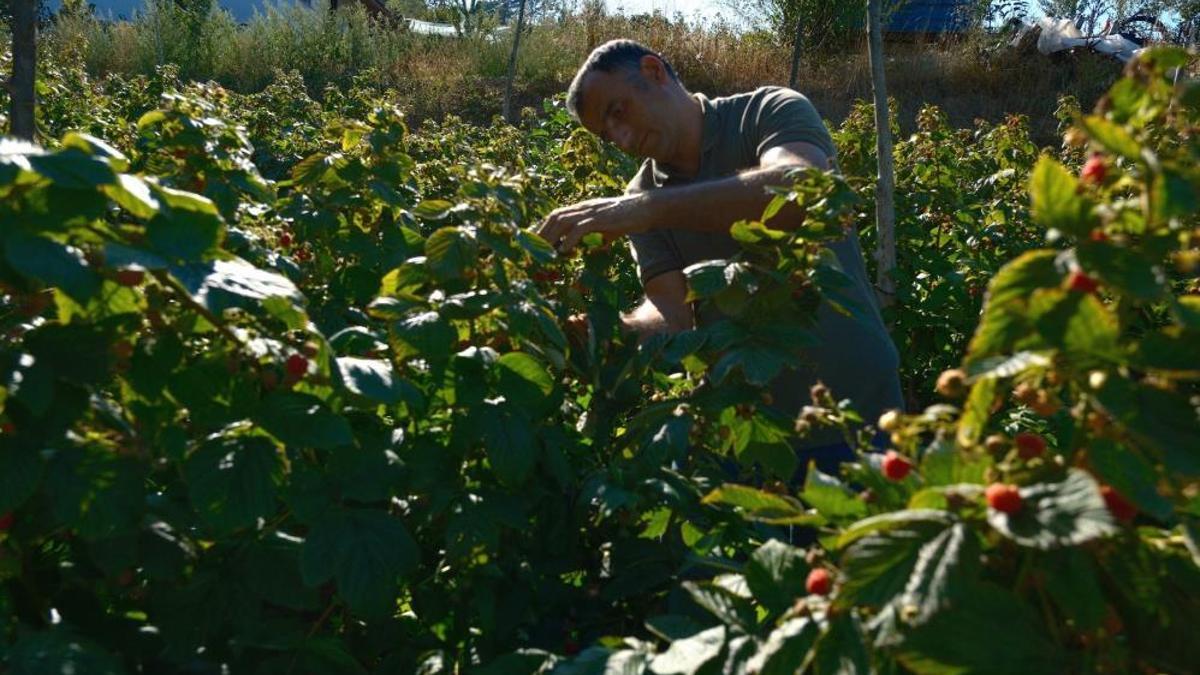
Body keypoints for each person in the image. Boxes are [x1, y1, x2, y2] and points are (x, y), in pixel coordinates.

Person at [537, 39, 902, 473]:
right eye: (605, 133)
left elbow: (799, 191)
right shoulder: (639, 198)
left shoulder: (766, 111)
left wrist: (646, 211)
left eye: (618, 112)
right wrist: (610, 333)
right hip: (748, 436)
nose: (620, 137)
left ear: (654, 72)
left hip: (859, 417)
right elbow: (673, 314)